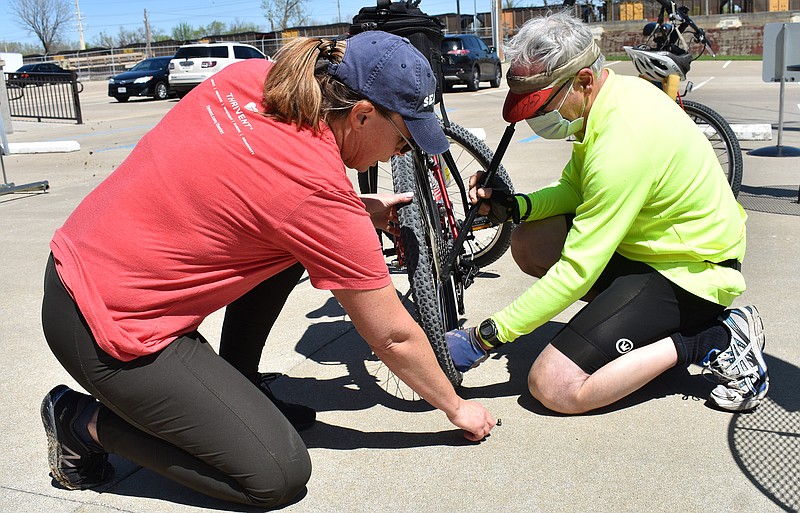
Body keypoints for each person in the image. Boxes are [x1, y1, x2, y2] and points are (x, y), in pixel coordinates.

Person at [40, 31, 496, 508]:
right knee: (276, 475)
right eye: (404, 138)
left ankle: (239, 380)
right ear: (361, 115)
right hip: (113, 334)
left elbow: (251, 186)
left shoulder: (250, 79)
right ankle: (80, 423)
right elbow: (393, 337)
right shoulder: (317, 197)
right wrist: (457, 407)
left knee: (292, 246)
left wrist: (352, 214)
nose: (403, 154)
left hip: (74, 268)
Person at [446, 11, 768, 415]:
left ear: (582, 80)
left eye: (541, 104)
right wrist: (515, 207)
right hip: (648, 252)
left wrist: (485, 338)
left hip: (689, 272)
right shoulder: (609, 98)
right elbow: (574, 190)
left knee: (554, 387)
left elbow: (577, 270)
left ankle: (713, 337)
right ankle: (638, 328)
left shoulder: (624, 141)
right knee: (530, 240)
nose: (533, 118)